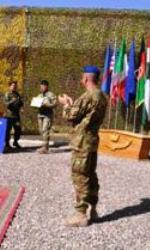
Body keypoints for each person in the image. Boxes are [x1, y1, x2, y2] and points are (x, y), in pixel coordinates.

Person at [59, 66, 108, 227]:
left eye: (82, 78)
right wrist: (74, 104)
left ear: (86, 79)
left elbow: (70, 116)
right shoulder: (102, 96)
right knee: (91, 174)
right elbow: (85, 115)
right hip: (92, 141)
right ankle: (93, 209)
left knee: (80, 176)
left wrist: (66, 104)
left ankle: (80, 214)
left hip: (82, 142)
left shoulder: (87, 96)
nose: (82, 80)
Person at [36, 80, 57, 154]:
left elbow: (54, 104)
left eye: (43, 86)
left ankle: (45, 148)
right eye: (41, 86)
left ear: (47, 86)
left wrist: (47, 105)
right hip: (40, 114)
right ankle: (43, 145)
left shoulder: (51, 94)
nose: (42, 87)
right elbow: (35, 105)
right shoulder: (39, 95)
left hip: (47, 115)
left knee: (45, 130)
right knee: (41, 130)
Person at [4, 80, 23, 150]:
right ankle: (7, 144)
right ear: (9, 86)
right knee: (8, 130)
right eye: (13, 86)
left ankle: (15, 141)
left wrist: (21, 106)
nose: (14, 87)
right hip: (9, 115)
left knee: (18, 129)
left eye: (15, 86)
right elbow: (6, 104)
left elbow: (20, 103)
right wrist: (13, 100)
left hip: (16, 115)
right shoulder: (7, 94)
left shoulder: (17, 94)